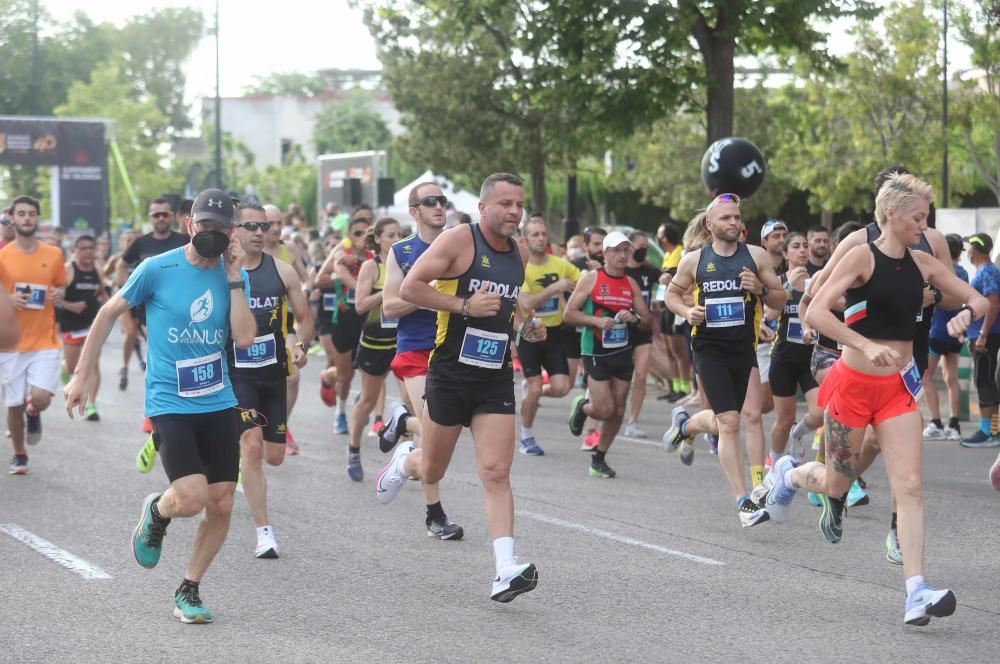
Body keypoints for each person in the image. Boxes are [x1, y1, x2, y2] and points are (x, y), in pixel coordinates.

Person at [761, 173, 985, 626]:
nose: (925, 227)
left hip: (898, 390)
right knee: (836, 484)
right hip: (852, 386)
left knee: (911, 486)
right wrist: (862, 344)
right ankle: (787, 474)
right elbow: (818, 310)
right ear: (891, 214)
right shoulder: (861, 255)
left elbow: (977, 299)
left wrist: (965, 317)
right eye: (917, 218)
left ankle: (916, 591)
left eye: (927, 218)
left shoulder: (923, 264)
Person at [64, 189, 254, 623]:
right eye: (204, 226)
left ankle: (189, 588)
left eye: (220, 229)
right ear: (190, 225)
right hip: (170, 401)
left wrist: (234, 277)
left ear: (232, 234)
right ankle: (157, 510)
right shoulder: (157, 268)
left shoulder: (232, 275)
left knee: (221, 501)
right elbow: (109, 312)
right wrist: (80, 375)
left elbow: (243, 338)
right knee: (190, 499)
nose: (211, 234)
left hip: (218, 399)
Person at [378, 172, 542, 602]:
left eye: (519, 204)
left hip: (493, 376)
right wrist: (462, 305)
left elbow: (511, 301)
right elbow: (411, 288)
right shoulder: (456, 241)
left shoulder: (519, 252)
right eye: (505, 203)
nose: (514, 211)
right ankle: (403, 463)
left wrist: (528, 325)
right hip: (449, 373)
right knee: (432, 469)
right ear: (484, 207)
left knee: (496, 471)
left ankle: (505, 568)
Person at [662, 193, 786, 528]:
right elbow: (671, 295)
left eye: (736, 217)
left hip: (743, 348)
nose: (733, 223)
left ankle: (686, 425)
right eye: (726, 218)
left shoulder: (756, 256)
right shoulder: (694, 260)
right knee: (731, 422)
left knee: (725, 420)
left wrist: (759, 288)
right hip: (709, 348)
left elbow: (781, 297)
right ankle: (743, 501)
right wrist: (688, 311)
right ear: (710, 224)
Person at [373, 181, 462, 541]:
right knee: (433, 433)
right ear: (415, 211)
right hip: (415, 349)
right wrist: (428, 295)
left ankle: (401, 428)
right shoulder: (403, 250)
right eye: (430, 201)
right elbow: (390, 305)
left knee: (447, 432)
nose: (439, 206)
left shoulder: (460, 247)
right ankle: (434, 514)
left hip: (452, 349)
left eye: (442, 200)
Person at [228, 202, 313, 558]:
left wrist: (300, 345)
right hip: (237, 374)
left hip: (273, 373)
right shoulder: (222, 274)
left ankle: (236, 458)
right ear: (235, 231)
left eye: (263, 226)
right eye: (251, 226)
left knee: (274, 456)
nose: (260, 232)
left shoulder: (282, 271)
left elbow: (303, 317)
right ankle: (264, 532)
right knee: (252, 447)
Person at [564, 231, 651, 476]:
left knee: (619, 409)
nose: (623, 255)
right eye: (617, 250)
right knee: (603, 409)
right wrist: (595, 321)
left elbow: (646, 321)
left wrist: (633, 318)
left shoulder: (630, 284)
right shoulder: (591, 279)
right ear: (605, 253)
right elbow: (568, 315)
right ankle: (583, 408)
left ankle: (598, 459)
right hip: (595, 351)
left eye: (627, 250)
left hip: (622, 351)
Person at [0, 195, 66, 474]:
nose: (27, 218)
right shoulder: (2, 256)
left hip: (44, 341)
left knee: (40, 397)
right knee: (13, 404)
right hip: (11, 343)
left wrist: (57, 294)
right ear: (12, 218)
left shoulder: (54, 255)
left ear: (37, 218)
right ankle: (19, 453)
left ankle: (35, 411)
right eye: (21, 214)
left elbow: (60, 288)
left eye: (31, 214)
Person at [515, 216, 580, 455]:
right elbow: (526, 301)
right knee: (534, 388)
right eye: (535, 235)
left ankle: (531, 395)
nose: (541, 238)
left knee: (562, 387)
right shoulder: (521, 267)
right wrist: (555, 288)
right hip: (529, 331)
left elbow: (581, 281)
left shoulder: (560, 264)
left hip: (554, 332)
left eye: (543, 234)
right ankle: (526, 437)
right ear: (524, 239)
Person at [347, 217, 402, 479]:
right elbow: (360, 305)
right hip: (374, 344)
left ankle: (407, 459)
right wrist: (388, 292)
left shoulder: (407, 265)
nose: (396, 240)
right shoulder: (372, 267)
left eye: (399, 235)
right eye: (390, 235)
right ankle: (353, 452)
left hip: (402, 343)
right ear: (378, 239)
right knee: (367, 402)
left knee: (413, 403)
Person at [118, 198, 189, 395]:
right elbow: (121, 265)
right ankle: (157, 403)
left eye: (164, 214)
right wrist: (125, 290)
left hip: (183, 309)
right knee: (162, 353)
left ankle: (178, 397)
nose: (161, 218)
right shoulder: (140, 243)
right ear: (150, 218)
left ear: (172, 217)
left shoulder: (184, 241)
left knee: (180, 355)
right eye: (156, 215)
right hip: (150, 311)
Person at [764, 233, 823, 465]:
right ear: (786, 254)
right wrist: (788, 285)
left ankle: (797, 435)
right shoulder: (777, 282)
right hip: (784, 358)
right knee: (784, 419)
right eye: (796, 247)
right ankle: (775, 464)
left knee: (820, 413)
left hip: (812, 358)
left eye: (805, 246)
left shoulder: (817, 281)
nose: (802, 250)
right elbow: (769, 316)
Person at [316, 213, 373, 435]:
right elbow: (320, 279)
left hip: (367, 317)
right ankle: (338, 407)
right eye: (357, 233)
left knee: (368, 368)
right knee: (345, 375)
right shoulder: (341, 250)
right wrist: (342, 276)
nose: (362, 237)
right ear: (349, 234)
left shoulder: (375, 251)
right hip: (345, 316)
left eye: (366, 232)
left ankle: (370, 414)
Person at [262, 204, 310, 453]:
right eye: (271, 223)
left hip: (285, 322)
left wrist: (304, 290)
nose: (277, 228)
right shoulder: (252, 250)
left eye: (281, 223)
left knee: (292, 378)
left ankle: (282, 426)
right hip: (255, 326)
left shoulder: (289, 248)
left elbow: (305, 278)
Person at [57, 235, 107, 421]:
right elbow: (54, 298)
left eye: (90, 248)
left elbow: (102, 294)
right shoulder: (67, 270)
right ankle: (64, 369)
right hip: (71, 324)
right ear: (75, 251)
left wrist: (109, 308)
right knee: (72, 366)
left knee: (94, 364)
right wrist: (71, 306)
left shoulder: (98, 271)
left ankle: (92, 405)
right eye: (83, 248)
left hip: (92, 324)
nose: (87, 252)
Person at [923, 233, 968, 441]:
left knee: (926, 377)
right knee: (952, 378)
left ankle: (935, 423)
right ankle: (954, 424)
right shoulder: (963, 273)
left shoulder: (939, 273)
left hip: (937, 330)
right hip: (956, 331)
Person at [958, 233, 1000, 448]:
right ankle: (993, 430)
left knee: (984, 380)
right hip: (981, 334)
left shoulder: (988, 272)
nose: (967, 251)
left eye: (970, 247)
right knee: (986, 380)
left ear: (978, 249)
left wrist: (983, 334)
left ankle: (987, 432)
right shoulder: (984, 272)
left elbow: (993, 304)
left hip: (988, 335)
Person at [622, 230, 661, 438]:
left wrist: (665, 281)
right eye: (640, 245)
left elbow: (666, 278)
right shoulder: (620, 271)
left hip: (643, 329)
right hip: (620, 330)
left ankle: (632, 421)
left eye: (647, 245)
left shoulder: (649, 271)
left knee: (641, 376)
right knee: (619, 377)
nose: (644, 249)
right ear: (629, 247)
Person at [656, 222, 690, 402]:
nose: (659, 238)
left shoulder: (678, 251)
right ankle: (675, 386)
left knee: (679, 350)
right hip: (663, 305)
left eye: (661, 235)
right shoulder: (667, 254)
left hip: (675, 306)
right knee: (669, 349)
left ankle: (685, 387)